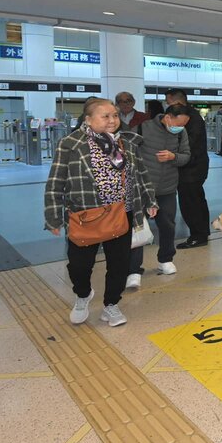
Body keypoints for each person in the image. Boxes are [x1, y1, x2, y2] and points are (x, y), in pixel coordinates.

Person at [44, 99, 157, 327]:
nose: (112, 120)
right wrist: (53, 216)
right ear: (88, 119)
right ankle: (83, 294)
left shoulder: (126, 143)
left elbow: (141, 174)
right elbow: (56, 182)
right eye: (105, 116)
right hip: (86, 215)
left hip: (121, 213)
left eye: (114, 115)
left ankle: (111, 305)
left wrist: (149, 200)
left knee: (119, 264)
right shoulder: (70, 144)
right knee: (78, 266)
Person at [126, 103, 192, 290]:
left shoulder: (180, 133)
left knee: (168, 225)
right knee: (138, 229)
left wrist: (173, 157)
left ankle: (165, 259)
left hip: (168, 188)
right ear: (168, 117)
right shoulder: (142, 128)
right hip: (142, 189)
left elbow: (186, 156)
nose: (181, 127)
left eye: (184, 124)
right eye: (178, 123)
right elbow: (127, 154)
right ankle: (133, 270)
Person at [164, 88, 211, 249]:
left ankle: (198, 235)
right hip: (190, 167)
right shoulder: (191, 115)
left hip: (192, 168)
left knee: (191, 202)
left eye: (169, 103)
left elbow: (189, 144)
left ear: (177, 102)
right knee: (196, 200)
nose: (168, 106)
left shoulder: (190, 118)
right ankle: (202, 231)